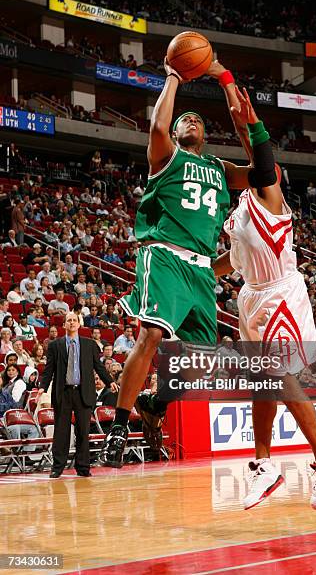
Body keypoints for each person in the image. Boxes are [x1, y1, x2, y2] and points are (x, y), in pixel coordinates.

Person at [98, 57, 251, 466]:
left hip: (200, 269)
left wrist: (240, 107)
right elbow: (157, 127)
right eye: (186, 119)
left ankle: (155, 403)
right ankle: (118, 426)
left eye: (198, 120)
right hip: (163, 255)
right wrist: (173, 78)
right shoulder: (166, 155)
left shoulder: (220, 169)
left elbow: (263, 173)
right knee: (150, 336)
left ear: (206, 133)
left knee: (201, 364)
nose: (191, 121)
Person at [212, 87, 316, 510]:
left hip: (281, 292)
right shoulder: (237, 216)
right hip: (250, 299)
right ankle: (264, 464)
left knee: (276, 374)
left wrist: (249, 121)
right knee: (262, 384)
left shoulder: (268, 196)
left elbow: (260, 157)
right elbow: (230, 264)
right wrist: (192, 272)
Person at [38, 312, 118, 478]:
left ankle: (83, 467)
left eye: (74, 320)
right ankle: (57, 467)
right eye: (69, 320)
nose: (72, 323)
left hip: (83, 392)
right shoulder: (55, 345)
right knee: (61, 432)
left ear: (79, 324)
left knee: (83, 431)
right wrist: (42, 387)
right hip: (63, 392)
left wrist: (109, 381)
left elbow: (99, 366)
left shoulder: (89, 345)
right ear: (64, 325)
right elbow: (49, 369)